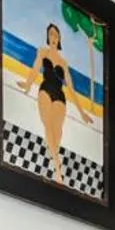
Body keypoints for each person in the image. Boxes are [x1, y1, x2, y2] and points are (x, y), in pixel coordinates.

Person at [34, 23, 71, 187]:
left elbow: (70, 87)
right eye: (51, 34)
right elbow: (36, 68)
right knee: (48, 125)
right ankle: (58, 169)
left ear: (60, 38)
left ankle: (53, 154)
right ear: (47, 37)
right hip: (45, 89)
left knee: (57, 133)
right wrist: (27, 85)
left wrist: (82, 112)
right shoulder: (43, 52)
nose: (54, 37)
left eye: (56, 35)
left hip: (60, 96)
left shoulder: (64, 62)